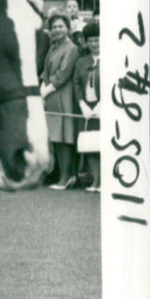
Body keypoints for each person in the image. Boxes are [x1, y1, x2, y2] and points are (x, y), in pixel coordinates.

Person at [40, 10, 80, 190]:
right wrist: (42, 88)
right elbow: (46, 72)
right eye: (54, 27)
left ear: (67, 28)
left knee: (64, 137)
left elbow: (63, 74)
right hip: (51, 96)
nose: (57, 30)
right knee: (55, 137)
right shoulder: (53, 47)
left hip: (63, 96)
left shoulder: (71, 48)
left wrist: (45, 91)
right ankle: (60, 175)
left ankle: (67, 177)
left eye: (60, 26)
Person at [72, 20, 101, 192]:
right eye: (91, 41)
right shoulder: (81, 61)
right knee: (90, 144)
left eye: (97, 40)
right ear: (87, 42)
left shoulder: (112, 59)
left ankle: (106, 181)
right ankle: (95, 181)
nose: (95, 44)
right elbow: (76, 83)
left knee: (105, 144)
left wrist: (101, 105)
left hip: (105, 107)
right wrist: (82, 104)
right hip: (87, 108)